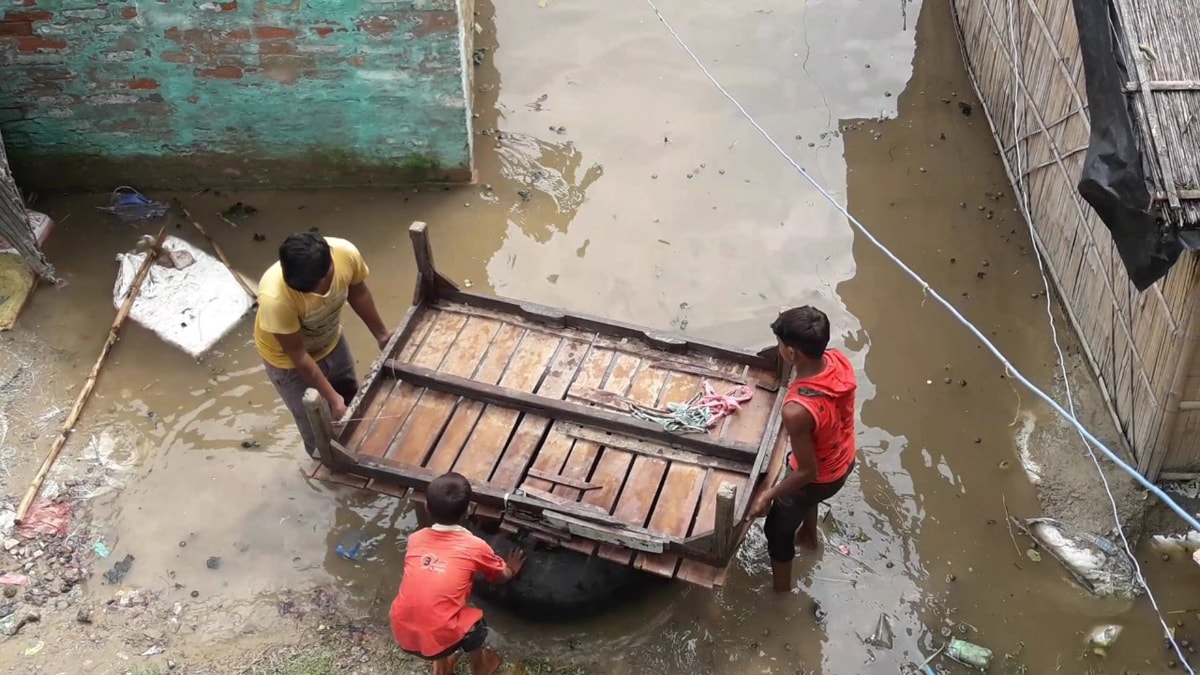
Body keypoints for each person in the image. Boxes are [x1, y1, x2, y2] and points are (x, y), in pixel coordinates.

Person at [748, 305, 857, 593]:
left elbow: (808, 472)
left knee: (776, 530)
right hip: (844, 459)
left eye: (779, 344)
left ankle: (782, 593)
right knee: (805, 494)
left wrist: (767, 495)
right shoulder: (838, 360)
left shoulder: (797, 410)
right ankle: (809, 537)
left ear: (791, 353)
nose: (778, 348)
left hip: (819, 478)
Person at [254, 233, 392, 458]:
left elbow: (359, 294)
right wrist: (332, 399)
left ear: (330, 270)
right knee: (315, 423)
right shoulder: (275, 298)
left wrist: (382, 334)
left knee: (352, 399)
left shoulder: (346, 254)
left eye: (312, 289)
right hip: (287, 361)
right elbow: (298, 355)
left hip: (331, 340)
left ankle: (362, 453)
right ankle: (327, 465)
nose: (308, 295)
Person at [390, 472, 527, 675]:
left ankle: (442, 667)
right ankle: (480, 668)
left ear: (427, 506)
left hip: (403, 632)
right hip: (437, 635)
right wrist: (511, 569)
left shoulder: (416, 539)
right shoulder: (475, 546)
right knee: (476, 623)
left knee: (434, 610)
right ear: (468, 511)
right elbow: (499, 577)